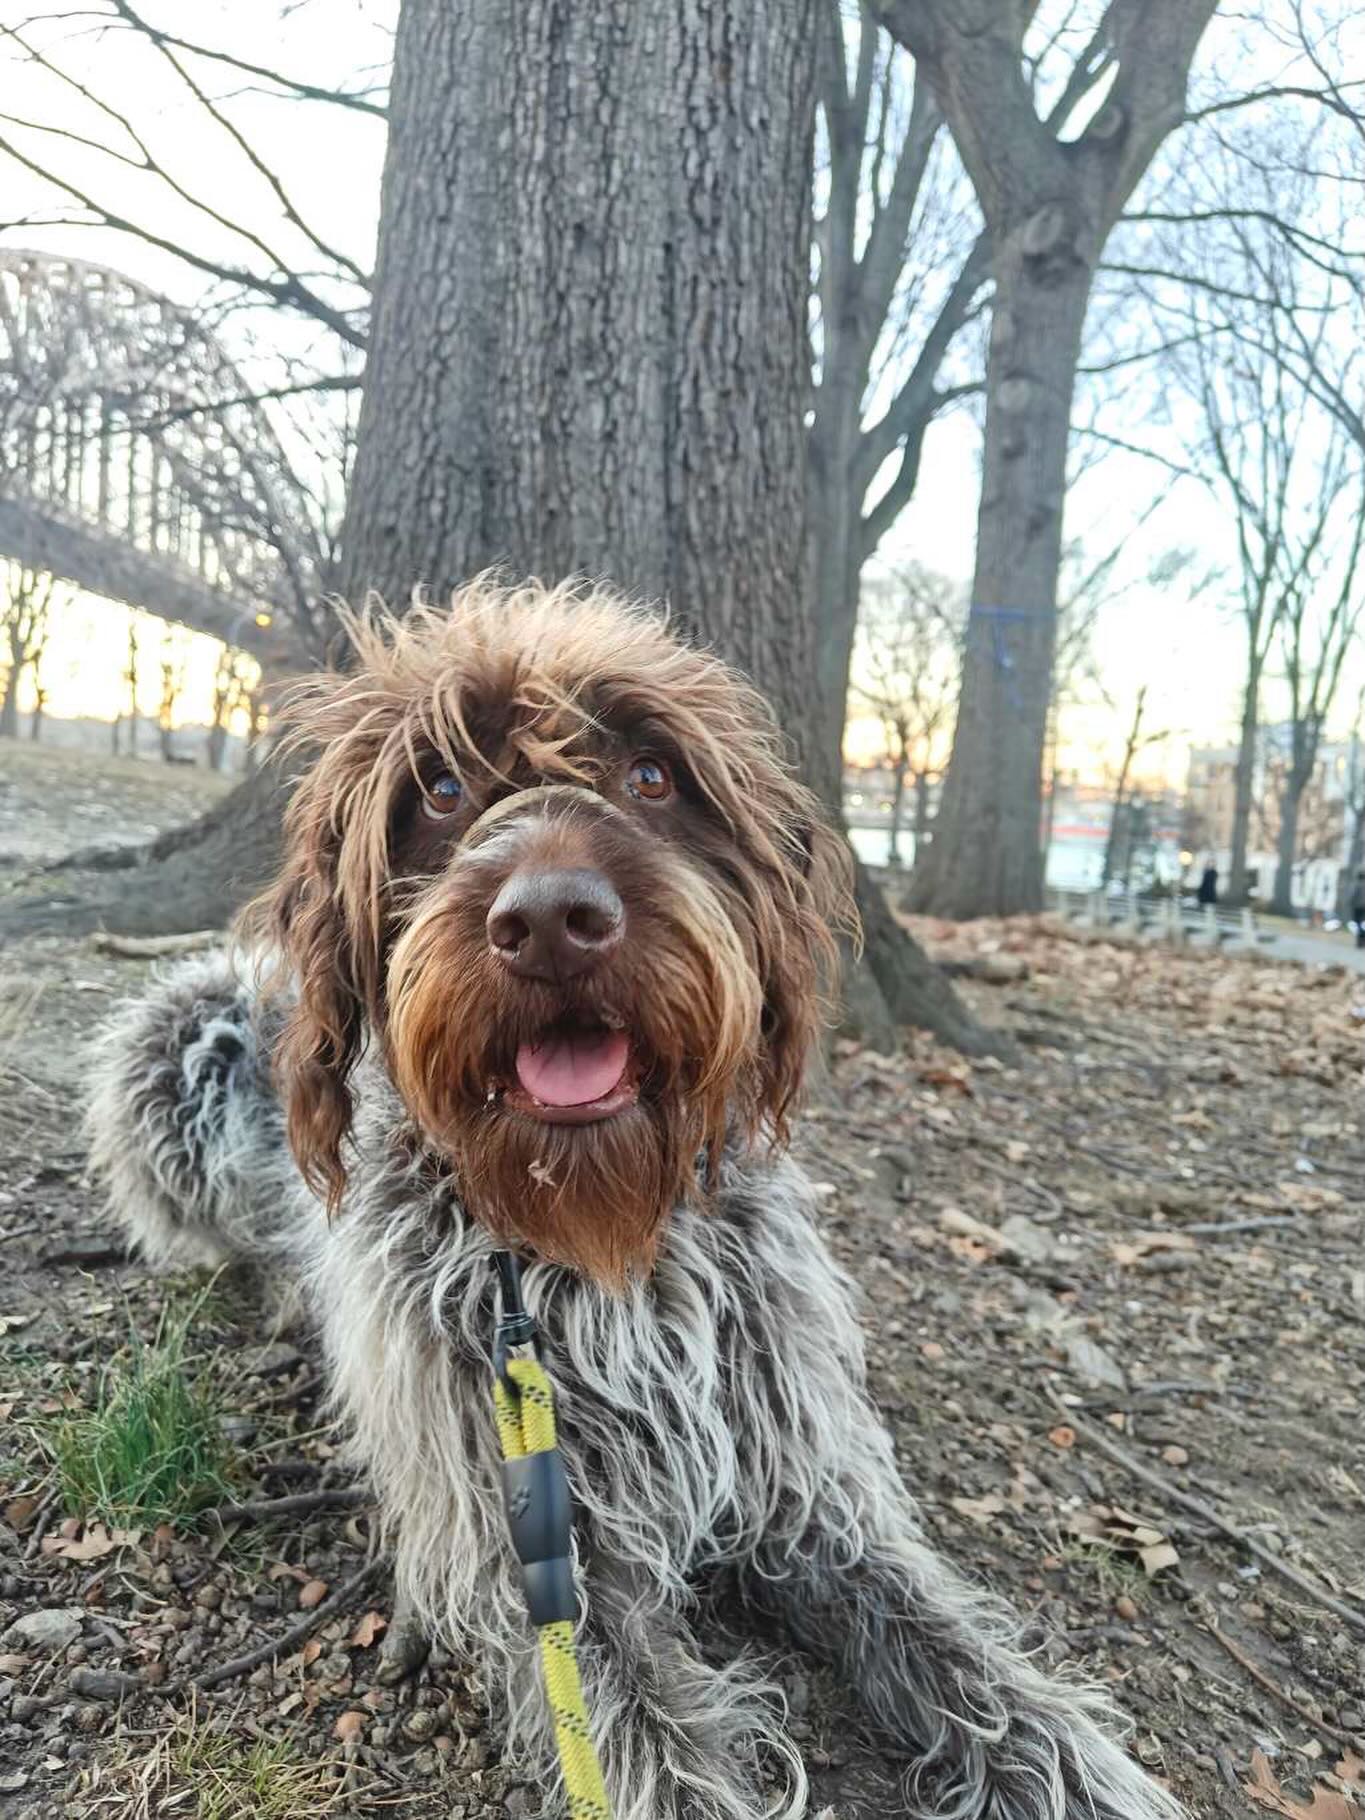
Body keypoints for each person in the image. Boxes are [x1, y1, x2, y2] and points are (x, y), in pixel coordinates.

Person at [1352, 869, 1365, 949]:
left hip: (1358, 907)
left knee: (1358, 924)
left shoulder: (1357, 885)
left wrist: (1350, 903)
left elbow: (1353, 895)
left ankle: (1359, 941)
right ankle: (1363, 940)